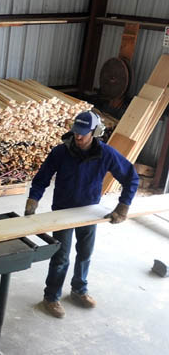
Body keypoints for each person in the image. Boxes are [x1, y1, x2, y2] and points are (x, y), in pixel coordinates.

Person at [25, 111, 139, 318]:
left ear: (95, 132)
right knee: (61, 257)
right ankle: (51, 297)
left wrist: (123, 205)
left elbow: (131, 177)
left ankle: (79, 290)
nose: (78, 137)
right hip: (63, 212)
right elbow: (42, 178)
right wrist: (33, 200)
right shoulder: (60, 152)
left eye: (83, 133)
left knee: (85, 254)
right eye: (76, 132)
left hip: (89, 212)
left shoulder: (106, 154)